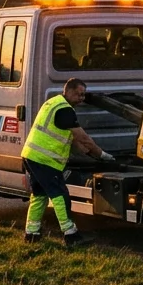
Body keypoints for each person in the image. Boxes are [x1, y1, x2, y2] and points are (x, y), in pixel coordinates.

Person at [21, 77, 114, 247]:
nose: (81, 99)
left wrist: (85, 151)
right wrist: (101, 154)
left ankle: (31, 234)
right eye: (79, 94)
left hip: (31, 156)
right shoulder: (65, 110)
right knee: (60, 196)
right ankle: (71, 235)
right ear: (69, 91)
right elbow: (82, 137)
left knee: (39, 196)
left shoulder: (53, 103)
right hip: (45, 160)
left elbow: (70, 138)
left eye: (83, 95)